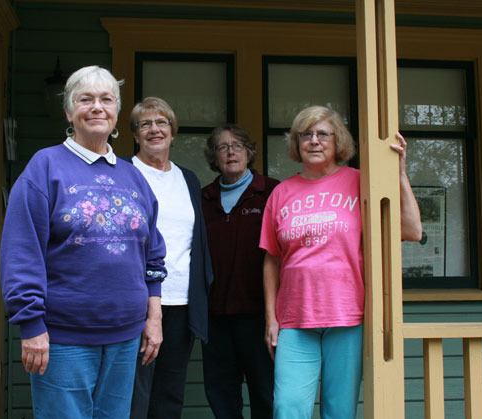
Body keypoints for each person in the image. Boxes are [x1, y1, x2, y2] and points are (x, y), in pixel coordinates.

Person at [0, 66, 167, 419]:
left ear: (117, 112)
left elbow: (153, 254)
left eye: (106, 99)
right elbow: (21, 251)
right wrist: (31, 325)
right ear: (68, 111)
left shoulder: (132, 175)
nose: (96, 107)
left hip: (125, 337)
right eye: (85, 99)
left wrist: (154, 318)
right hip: (63, 339)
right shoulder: (45, 168)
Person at [260, 105, 422, 419]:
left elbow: (412, 230)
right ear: (297, 143)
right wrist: (271, 319)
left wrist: (399, 173)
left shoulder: (361, 183)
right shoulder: (281, 193)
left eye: (323, 134)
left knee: (339, 410)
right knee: (287, 407)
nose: (314, 141)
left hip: (347, 316)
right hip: (294, 319)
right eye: (306, 134)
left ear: (338, 142)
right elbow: (271, 259)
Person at [128, 97, 213, 419]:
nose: (154, 130)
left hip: (180, 299)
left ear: (173, 132)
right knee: (135, 393)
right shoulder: (124, 173)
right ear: (135, 134)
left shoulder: (188, 179)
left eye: (161, 122)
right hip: (136, 299)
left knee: (169, 393)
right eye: (145, 124)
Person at [201, 124, 280, 419]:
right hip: (216, 317)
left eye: (237, 145)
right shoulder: (203, 199)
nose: (230, 151)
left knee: (265, 393)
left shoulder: (271, 192)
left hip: (260, 315)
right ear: (214, 156)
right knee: (221, 396)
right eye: (222, 147)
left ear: (249, 152)